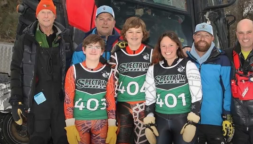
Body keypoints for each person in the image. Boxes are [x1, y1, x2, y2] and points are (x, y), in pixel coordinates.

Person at [9, 0, 73, 143]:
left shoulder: (64, 38)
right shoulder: (26, 39)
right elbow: (16, 69)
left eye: (49, 12)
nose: (46, 16)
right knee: (38, 138)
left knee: (63, 139)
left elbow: (72, 69)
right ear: (37, 15)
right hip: (37, 101)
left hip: (60, 102)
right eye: (42, 12)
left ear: (54, 16)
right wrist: (16, 100)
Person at [143, 31, 202, 144]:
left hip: (183, 120)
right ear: (159, 48)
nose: (167, 49)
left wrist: (193, 121)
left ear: (177, 46)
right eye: (163, 46)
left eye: (171, 45)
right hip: (161, 121)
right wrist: (149, 119)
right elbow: (150, 97)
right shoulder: (153, 69)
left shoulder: (188, 65)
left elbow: (197, 94)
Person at [64, 34, 117, 144]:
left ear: (102, 51)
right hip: (79, 120)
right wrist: (69, 124)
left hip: (101, 120)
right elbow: (68, 98)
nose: (93, 50)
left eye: (97, 47)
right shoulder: (73, 70)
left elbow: (110, 99)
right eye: (90, 46)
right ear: (84, 49)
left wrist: (112, 126)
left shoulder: (108, 71)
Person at [185, 23, 232, 144]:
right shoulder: (185, 60)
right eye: (199, 35)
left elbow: (228, 89)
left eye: (206, 35)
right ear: (193, 37)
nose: (202, 38)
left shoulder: (222, 59)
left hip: (215, 121)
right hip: (190, 120)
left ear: (212, 38)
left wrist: (227, 115)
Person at [109, 16, 152, 144]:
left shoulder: (152, 53)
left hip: (144, 106)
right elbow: (110, 85)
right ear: (125, 34)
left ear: (143, 34)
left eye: (138, 32)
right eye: (130, 32)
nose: (134, 35)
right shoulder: (116, 55)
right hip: (123, 106)